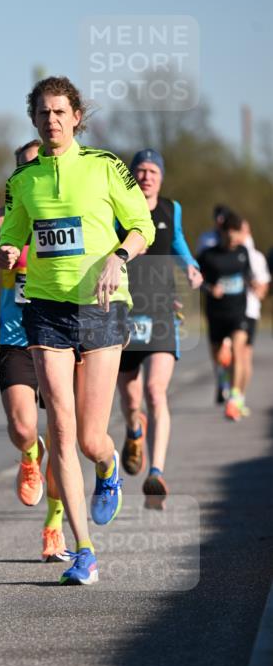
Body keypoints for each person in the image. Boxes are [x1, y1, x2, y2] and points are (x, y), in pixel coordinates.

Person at [0, 76, 155, 586]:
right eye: (43, 113)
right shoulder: (23, 180)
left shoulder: (105, 167)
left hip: (102, 305)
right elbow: (13, 234)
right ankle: (83, 551)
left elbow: (142, 226)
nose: (52, 121)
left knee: (89, 437)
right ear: (34, 120)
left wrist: (119, 256)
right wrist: (5, 251)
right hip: (45, 307)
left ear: (77, 116)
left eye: (60, 112)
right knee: (60, 430)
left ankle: (109, 467)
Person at [0, 139, 68, 562]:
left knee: (65, 437)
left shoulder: (66, 216)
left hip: (61, 336)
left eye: (37, 164)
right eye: (21, 168)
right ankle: (29, 455)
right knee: (21, 427)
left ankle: (54, 523)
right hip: (15, 335)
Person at [117, 149, 203, 508]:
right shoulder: (118, 209)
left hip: (163, 312)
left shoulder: (172, 209)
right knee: (131, 399)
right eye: (140, 170)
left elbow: (179, 241)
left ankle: (156, 472)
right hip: (124, 313)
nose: (146, 175)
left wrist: (191, 267)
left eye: (152, 170)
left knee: (155, 391)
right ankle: (134, 430)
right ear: (132, 176)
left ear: (161, 177)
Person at [197, 211, 252, 421]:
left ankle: (235, 397)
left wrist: (252, 284)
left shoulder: (243, 252)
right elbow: (196, 280)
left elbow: (246, 275)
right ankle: (222, 380)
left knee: (239, 350)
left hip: (238, 312)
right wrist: (210, 289)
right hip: (216, 313)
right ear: (222, 232)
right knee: (219, 356)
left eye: (237, 233)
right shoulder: (208, 255)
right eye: (229, 233)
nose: (233, 238)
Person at [238, 221, 269, 415]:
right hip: (227, 310)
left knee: (244, 355)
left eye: (241, 231)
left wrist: (256, 286)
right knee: (232, 354)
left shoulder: (255, 257)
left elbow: (263, 289)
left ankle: (238, 396)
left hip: (249, 310)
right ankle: (228, 379)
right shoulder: (221, 251)